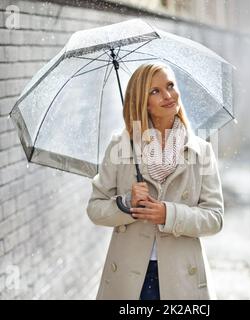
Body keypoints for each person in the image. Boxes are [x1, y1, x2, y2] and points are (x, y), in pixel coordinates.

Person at [86, 63, 224, 300]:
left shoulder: (201, 150)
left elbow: (215, 218)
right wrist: (128, 204)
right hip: (129, 278)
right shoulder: (121, 146)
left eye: (170, 86)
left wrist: (168, 215)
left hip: (182, 276)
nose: (168, 95)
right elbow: (95, 209)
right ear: (143, 102)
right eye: (155, 91)